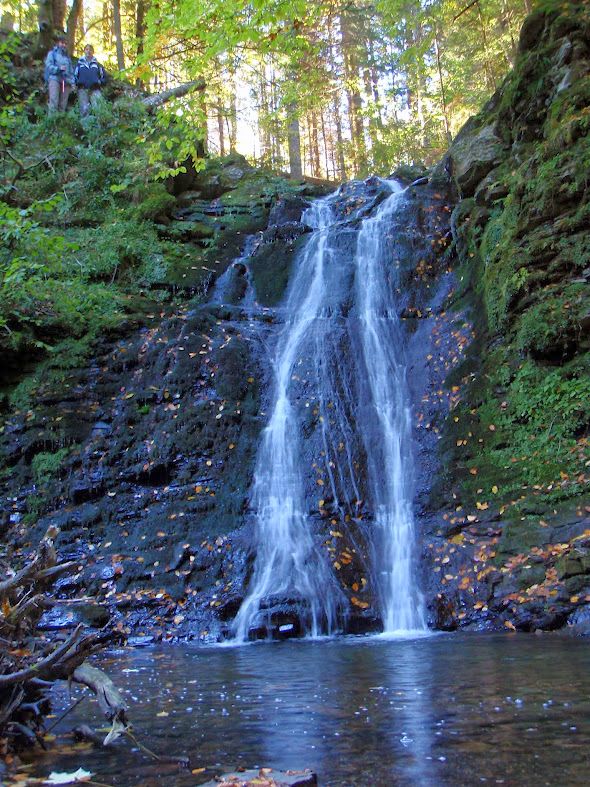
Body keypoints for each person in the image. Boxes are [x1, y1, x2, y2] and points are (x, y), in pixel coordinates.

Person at [44, 35, 74, 113]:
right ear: (58, 43)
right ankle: (52, 122)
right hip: (54, 80)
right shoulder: (52, 53)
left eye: (65, 44)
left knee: (63, 103)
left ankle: (60, 122)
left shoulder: (67, 57)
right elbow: (48, 65)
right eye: (62, 43)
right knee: (54, 101)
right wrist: (58, 69)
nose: (64, 45)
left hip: (65, 83)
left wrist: (72, 82)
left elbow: (71, 71)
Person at [74, 45, 106, 118]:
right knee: (84, 109)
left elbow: (104, 77)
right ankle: (85, 126)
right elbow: (74, 76)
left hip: (95, 89)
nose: (88, 51)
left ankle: (99, 125)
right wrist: (76, 83)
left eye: (90, 50)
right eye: (87, 49)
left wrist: (99, 82)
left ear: (93, 52)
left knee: (98, 108)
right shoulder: (79, 64)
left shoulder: (98, 65)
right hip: (82, 89)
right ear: (84, 51)